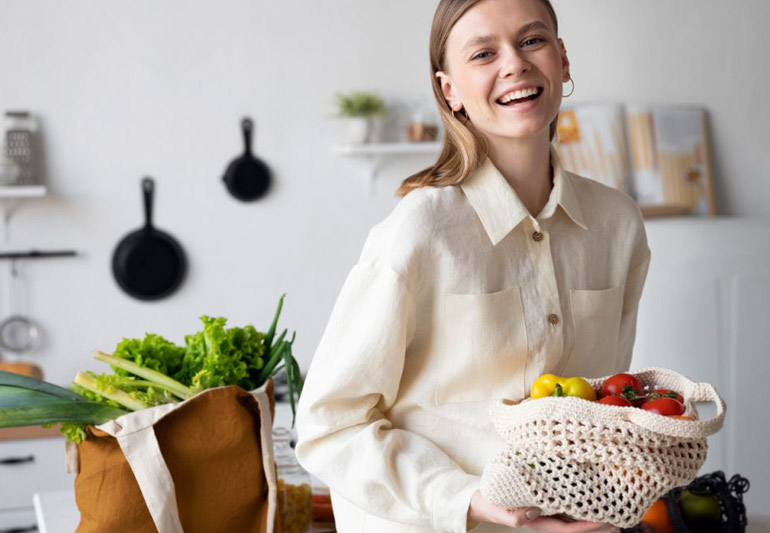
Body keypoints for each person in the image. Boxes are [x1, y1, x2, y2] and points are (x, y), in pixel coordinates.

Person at [295, 0, 650, 531]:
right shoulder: (419, 231)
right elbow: (328, 425)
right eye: (484, 52)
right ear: (449, 91)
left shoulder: (617, 224)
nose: (515, 63)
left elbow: (600, 404)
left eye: (532, 41)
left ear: (563, 59)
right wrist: (469, 500)